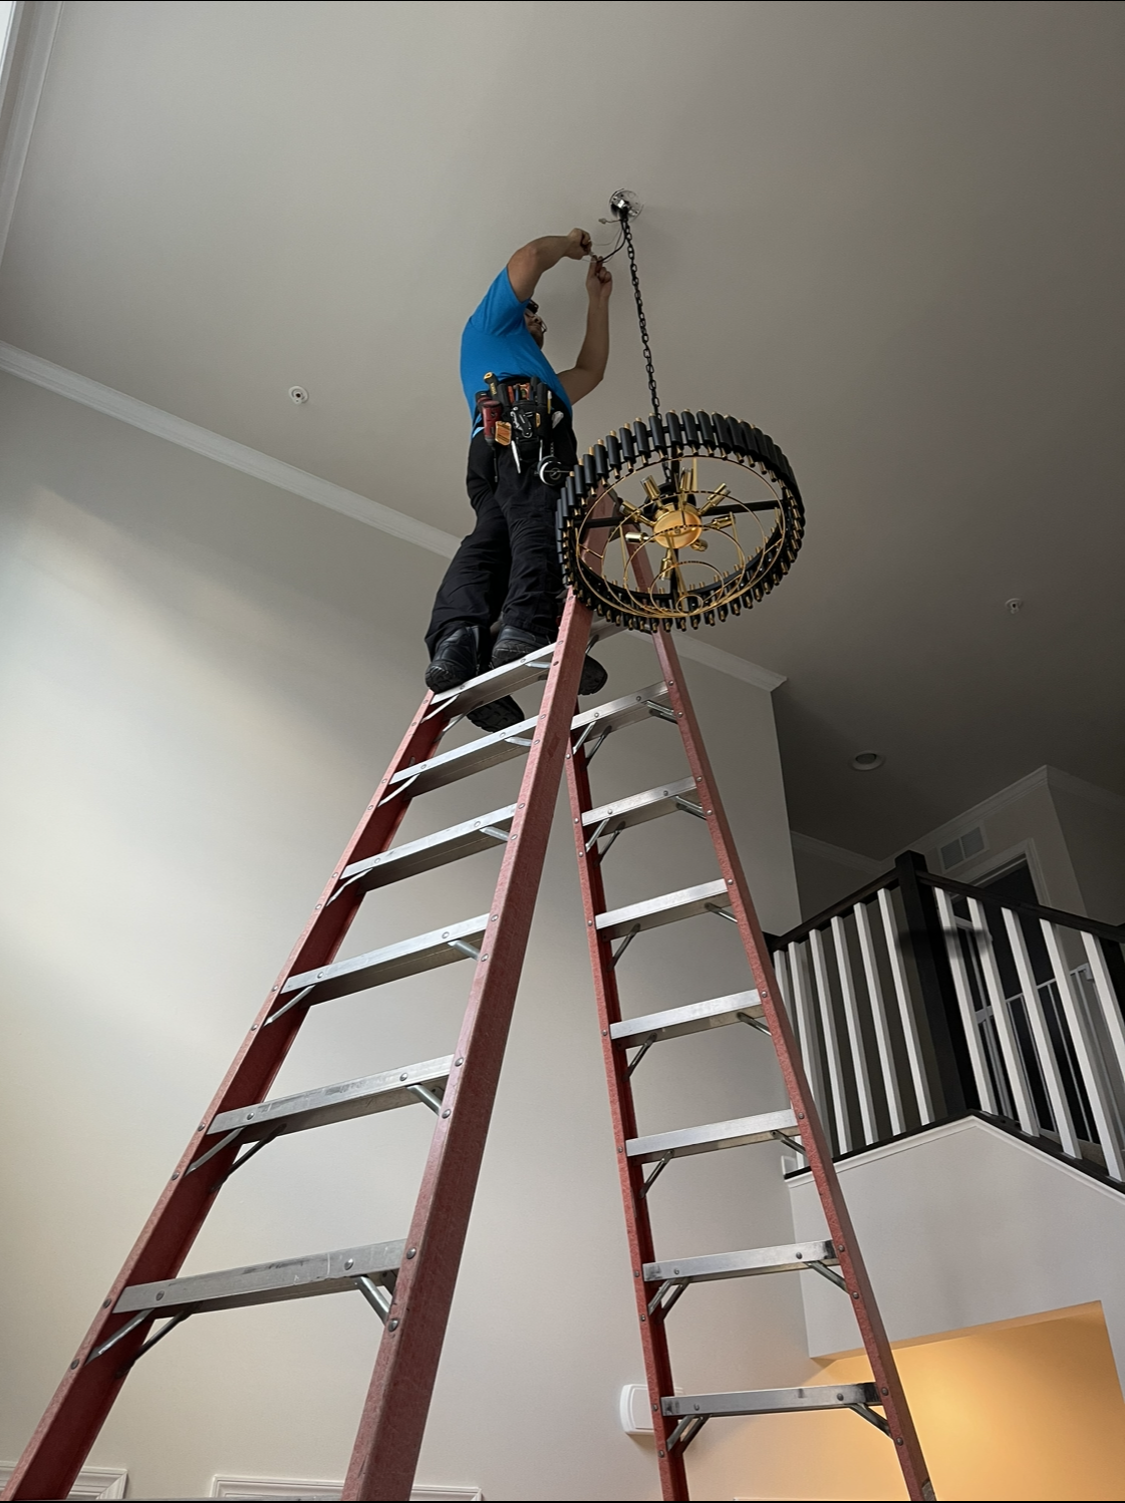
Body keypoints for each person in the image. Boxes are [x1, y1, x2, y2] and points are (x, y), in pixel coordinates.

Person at [424, 228, 613, 729]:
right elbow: (530, 256)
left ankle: (460, 644)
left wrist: (598, 300)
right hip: (523, 424)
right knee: (537, 516)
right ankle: (526, 627)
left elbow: (591, 371)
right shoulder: (487, 330)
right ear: (518, 312)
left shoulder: (543, 373)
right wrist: (570, 245)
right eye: (534, 313)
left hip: (496, 445)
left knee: (494, 538)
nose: (541, 323)